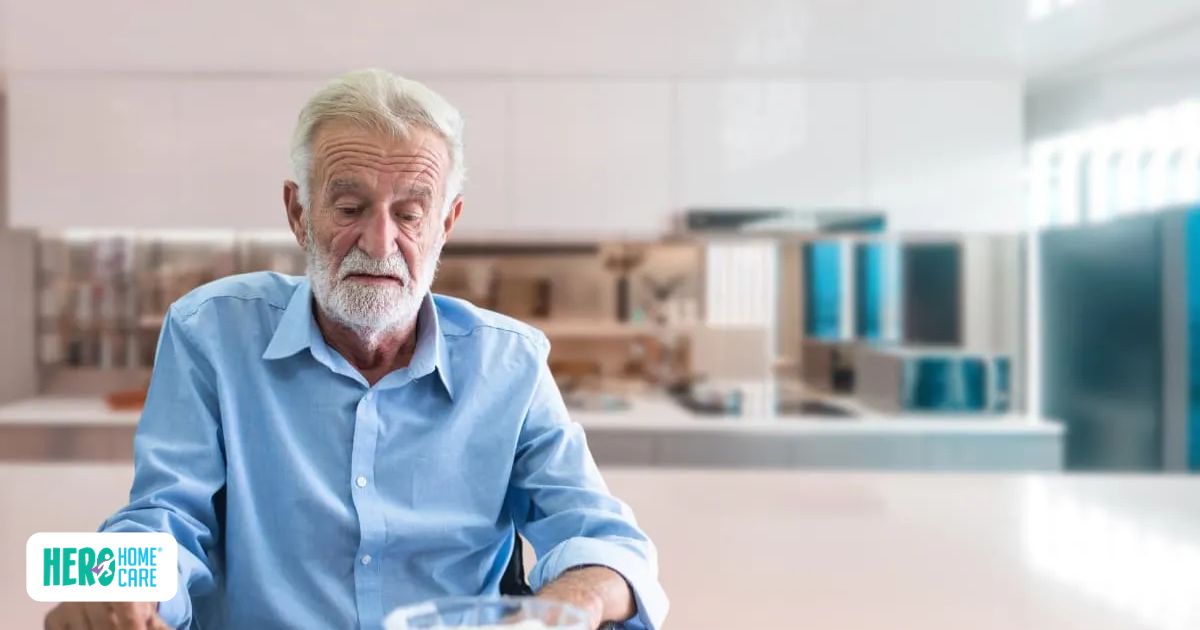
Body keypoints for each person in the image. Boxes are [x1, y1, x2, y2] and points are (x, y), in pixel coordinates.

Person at [45, 69, 667, 630]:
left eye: (410, 214)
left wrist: (564, 610)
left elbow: (610, 543)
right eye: (350, 207)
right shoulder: (210, 332)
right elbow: (163, 516)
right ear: (298, 213)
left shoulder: (510, 365)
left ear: (446, 224)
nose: (379, 240)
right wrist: (113, 588)